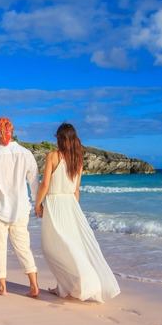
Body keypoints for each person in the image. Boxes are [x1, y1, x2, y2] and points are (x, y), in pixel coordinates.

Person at [34, 123, 120, 302]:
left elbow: (45, 183)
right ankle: (64, 287)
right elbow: (77, 189)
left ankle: (85, 282)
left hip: (56, 204)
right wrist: (75, 209)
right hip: (71, 204)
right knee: (67, 245)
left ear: (59, 138)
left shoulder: (52, 156)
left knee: (53, 247)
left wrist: (37, 204)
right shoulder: (78, 159)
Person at [0, 117, 40, 297]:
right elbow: (34, 182)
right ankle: (34, 285)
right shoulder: (25, 153)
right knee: (23, 246)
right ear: (11, 130)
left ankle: (2, 287)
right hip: (21, 208)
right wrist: (38, 204)